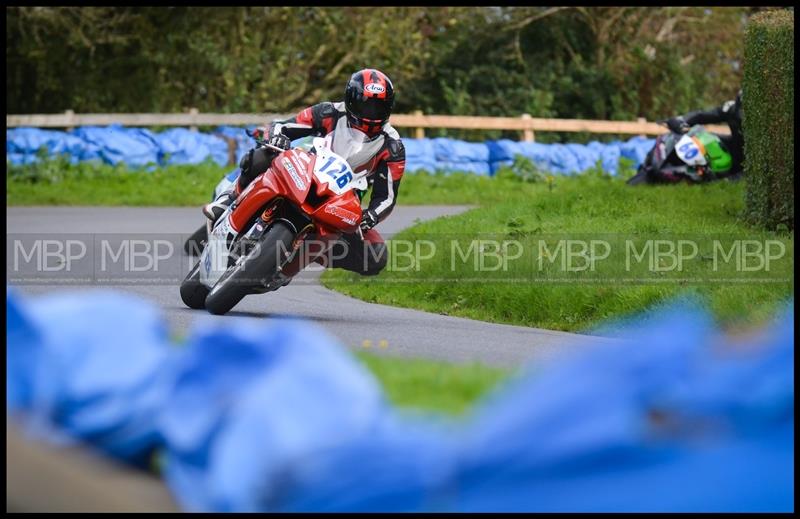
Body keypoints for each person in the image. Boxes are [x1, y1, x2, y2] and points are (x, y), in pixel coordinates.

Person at [203, 68, 405, 279]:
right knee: (263, 156)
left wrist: (371, 215)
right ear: (350, 99)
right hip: (303, 171)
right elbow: (285, 126)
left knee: (376, 255)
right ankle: (229, 199)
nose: (370, 113)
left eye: (377, 107)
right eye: (365, 104)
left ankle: (297, 261)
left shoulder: (393, 147)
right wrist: (278, 136)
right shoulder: (330, 112)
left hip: (341, 201)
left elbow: (387, 197)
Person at [663, 89, 744, 175]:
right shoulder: (730, 109)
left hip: (750, 161)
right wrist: (682, 122)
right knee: (705, 137)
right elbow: (702, 115)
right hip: (736, 148)